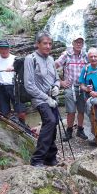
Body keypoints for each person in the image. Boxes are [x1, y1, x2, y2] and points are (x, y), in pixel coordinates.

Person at [24, 31, 60, 167]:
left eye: (50, 43)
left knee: (53, 124)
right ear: (37, 44)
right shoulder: (30, 59)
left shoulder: (51, 59)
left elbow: (56, 78)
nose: (48, 46)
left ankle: (50, 157)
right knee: (50, 121)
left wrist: (56, 86)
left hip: (52, 98)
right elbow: (29, 85)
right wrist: (46, 98)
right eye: (45, 43)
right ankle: (37, 159)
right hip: (39, 98)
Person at [55, 36, 88, 141]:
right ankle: (69, 131)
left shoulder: (85, 55)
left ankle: (80, 130)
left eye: (81, 42)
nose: (79, 44)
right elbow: (53, 67)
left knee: (81, 110)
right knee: (71, 111)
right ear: (72, 43)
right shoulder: (66, 55)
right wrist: (60, 82)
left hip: (83, 86)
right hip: (70, 86)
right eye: (77, 42)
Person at [0, 40, 26, 122]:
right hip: (1, 87)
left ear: (9, 49)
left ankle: (24, 125)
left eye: (5, 48)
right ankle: (11, 128)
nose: (4, 50)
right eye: (1, 48)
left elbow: (24, 71)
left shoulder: (15, 59)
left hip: (15, 86)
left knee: (21, 112)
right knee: (4, 113)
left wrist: (14, 68)